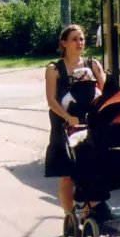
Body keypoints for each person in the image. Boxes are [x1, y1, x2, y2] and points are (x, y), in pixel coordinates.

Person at [44, 24, 106, 217]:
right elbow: (51, 100)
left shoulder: (93, 64)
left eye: (81, 39)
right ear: (64, 43)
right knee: (67, 174)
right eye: (74, 39)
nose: (80, 43)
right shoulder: (54, 69)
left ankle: (89, 213)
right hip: (64, 123)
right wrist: (68, 117)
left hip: (89, 123)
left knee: (92, 168)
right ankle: (70, 216)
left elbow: (106, 92)